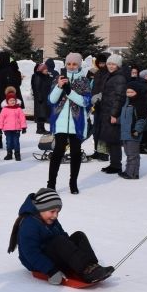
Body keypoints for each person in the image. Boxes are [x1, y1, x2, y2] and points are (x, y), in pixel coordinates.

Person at [8, 188, 114, 284]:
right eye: (52, 211)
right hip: (37, 264)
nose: (55, 215)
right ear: (40, 208)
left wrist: (72, 251)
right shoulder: (29, 225)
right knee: (59, 241)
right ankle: (85, 270)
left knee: (78, 235)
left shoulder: (49, 219)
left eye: (57, 212)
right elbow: (30, 253)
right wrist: (51, 271)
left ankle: (92, 267)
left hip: (52, 253)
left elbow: (62, 235)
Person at [47, 52, 92, 194]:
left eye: (74, 64)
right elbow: (51, 100)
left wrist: (70, 92)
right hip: (60, 121)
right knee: (58, 151)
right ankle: (51, 183)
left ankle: (73, 182)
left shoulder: (84, 81)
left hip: (76, 122)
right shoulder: (58, 79)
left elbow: (85, 102)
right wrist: (59, 87)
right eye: (69, 64)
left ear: (79, 65)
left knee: (76, 153)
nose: (71, 66)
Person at [94, 54, 127, 174]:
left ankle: (116, 165)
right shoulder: (111, 76)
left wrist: (114, 114)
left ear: (118, 65)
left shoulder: (119, 78)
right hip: (106, 111)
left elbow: (120, 97)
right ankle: (113, 163)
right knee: (110, 139)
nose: (111, 66)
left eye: (113, 64)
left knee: (114, 140)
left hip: (112, 113)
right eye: (109, 64)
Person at [0, 51, 22, 150]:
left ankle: (10, 142)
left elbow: (11, 87)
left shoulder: (8, 71)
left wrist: (9, 101)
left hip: (5, 102)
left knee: (8, 122)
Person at [118, 79, 147, 180]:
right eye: (127, 92)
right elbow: (124, 117)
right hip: (125, 132)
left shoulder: (139, 103)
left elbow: (141, 119)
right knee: (128, 153)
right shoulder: (126, 102)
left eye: (132, 92)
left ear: (137, 92)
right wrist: (117, 120)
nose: (129, 94)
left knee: (133, 155)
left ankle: (132, 173)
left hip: (133, 133)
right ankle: (128, 170)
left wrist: (137, 130)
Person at [0, 89, 27, 161]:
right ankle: (9, 154)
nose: (12, 102)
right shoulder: (4, 109)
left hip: (16, 129)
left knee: (16, 142)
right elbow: (1, 119)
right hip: (7, 129)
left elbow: (22, 118)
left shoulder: (18, 109)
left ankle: (17, 154)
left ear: (16, 101)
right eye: (10, 100)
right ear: (7, 102)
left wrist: (24, 127)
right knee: (9, 142)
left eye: (14, 100)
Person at [30, 61, 53, 134]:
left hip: (44, 97)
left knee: (43, 113)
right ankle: (39, 129)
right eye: (45, 70)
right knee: (40, 113)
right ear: (42, 70)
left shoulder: (44, 76)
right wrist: (39, 97)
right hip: (40, 98)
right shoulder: (37, 76)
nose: (47, 71)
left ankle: (42, 128)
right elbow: (37, 88)